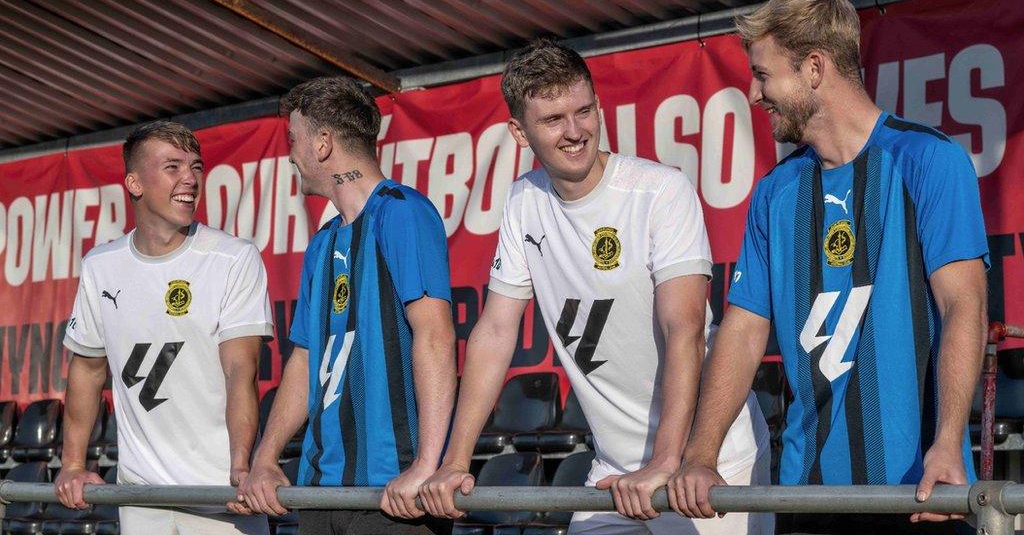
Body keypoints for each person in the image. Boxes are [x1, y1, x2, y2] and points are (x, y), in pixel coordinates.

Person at [419, 39, 772, 534]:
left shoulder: (659, 191)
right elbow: (495, 333)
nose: (574, 132)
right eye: (553, 120)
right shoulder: (524, 202)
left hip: (706, 461)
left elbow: (685, 328)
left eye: (584, 111)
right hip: (613, 469)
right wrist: (456, 461)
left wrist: (668, 459)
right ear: (519, 132)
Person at [671, 0, 989, 534]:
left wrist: (946, 446)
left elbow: (965, 308)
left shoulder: (929, 160)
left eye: (764, 74)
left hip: (917, 492)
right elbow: (744, 331)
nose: (754, 91)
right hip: (807, 494)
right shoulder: (775, 192)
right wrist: (700, 455)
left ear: (814, 68)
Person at [238, 76, 457, 535]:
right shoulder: (322, 242)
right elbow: (303, 359)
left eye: (293, 140)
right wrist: (264, 458)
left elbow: (435, 335)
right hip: (321, 491)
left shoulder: (402, 212)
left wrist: (426, 464)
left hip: (393, 494)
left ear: (322, 144)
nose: (290, 155)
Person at [57, 120, 273, 535]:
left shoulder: (233, 258)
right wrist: (72, 466)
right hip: (141, 495)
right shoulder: (100, 266)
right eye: (172, 167)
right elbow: (86, 370)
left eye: (196, 167)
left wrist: (242, 468)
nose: (190, 179)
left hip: (221, 495)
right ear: (134, 183)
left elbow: (240, 372)